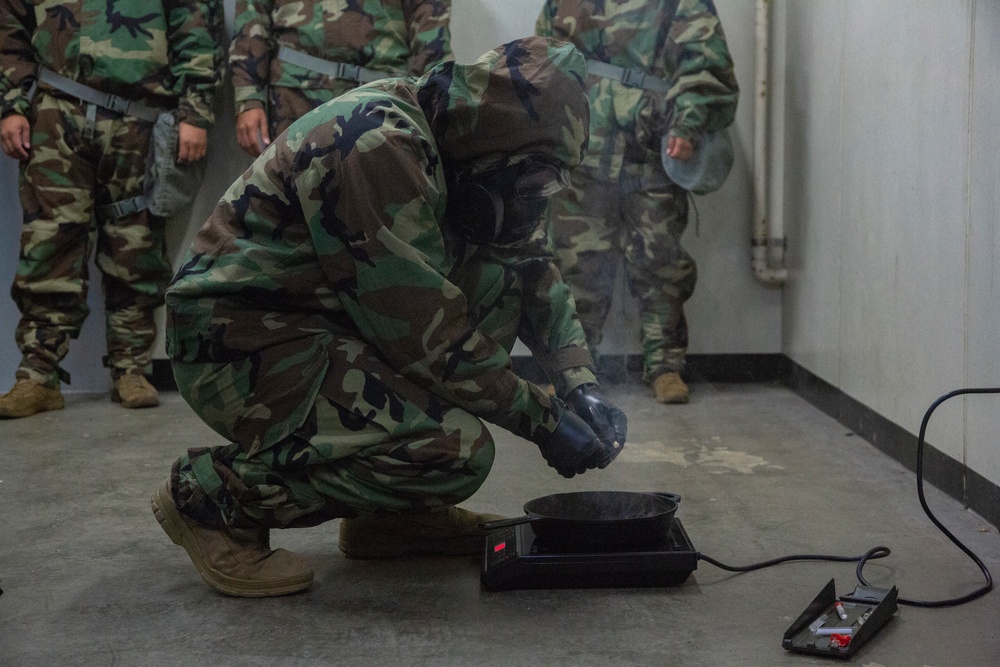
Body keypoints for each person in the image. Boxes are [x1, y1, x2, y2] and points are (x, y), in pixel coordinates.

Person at [150, 37, 628, 598]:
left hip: (329, 321)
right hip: (240, 338)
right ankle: (213, 498)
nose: (536, 200)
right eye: (534, 181)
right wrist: (543, 420)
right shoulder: (376, 143)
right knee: (454, 450)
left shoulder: (479, 164)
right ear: (493, 143)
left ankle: (393, 521)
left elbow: (532, 272)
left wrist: (579, 384)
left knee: (501, 284)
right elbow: (429, 338)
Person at [0, 0, 225, 417]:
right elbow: (7, 29)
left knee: (135, 245)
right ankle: (37, 374)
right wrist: (11, 104)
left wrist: (195, 111)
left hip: (139, 116)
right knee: (49, 242)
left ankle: (131, 369)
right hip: (53, 110)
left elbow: (193, 26)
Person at [536, 0, 739, 404]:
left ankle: (665, 366)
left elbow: (705, 58)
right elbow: (542, 58)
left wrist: (689, 121)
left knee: (660, 260)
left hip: (651, 146)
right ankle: (574, 372)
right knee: (575, 263)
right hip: (583, 145)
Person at [230, 0, 452, 157]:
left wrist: (433, 103)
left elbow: (431, 22)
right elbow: (252, 15)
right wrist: (248, 97)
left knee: (380, 204)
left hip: (383, 99)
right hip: (294, 98)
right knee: (292, 206)